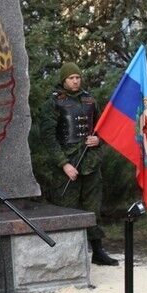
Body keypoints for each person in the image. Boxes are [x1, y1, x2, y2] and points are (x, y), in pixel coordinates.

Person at [40, 62, 119, 266]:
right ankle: (67, 255)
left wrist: (98, 140)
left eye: (78, 77)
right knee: (68, 209)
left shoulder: (89, 99)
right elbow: (48, 138)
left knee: (93, 208)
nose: (75, 81)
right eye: (71, 78)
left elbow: (102, 127)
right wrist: (64, 164)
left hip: (90, 162)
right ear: (64, 80)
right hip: (67, 164)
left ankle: (97, 251)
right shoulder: (53, 102)